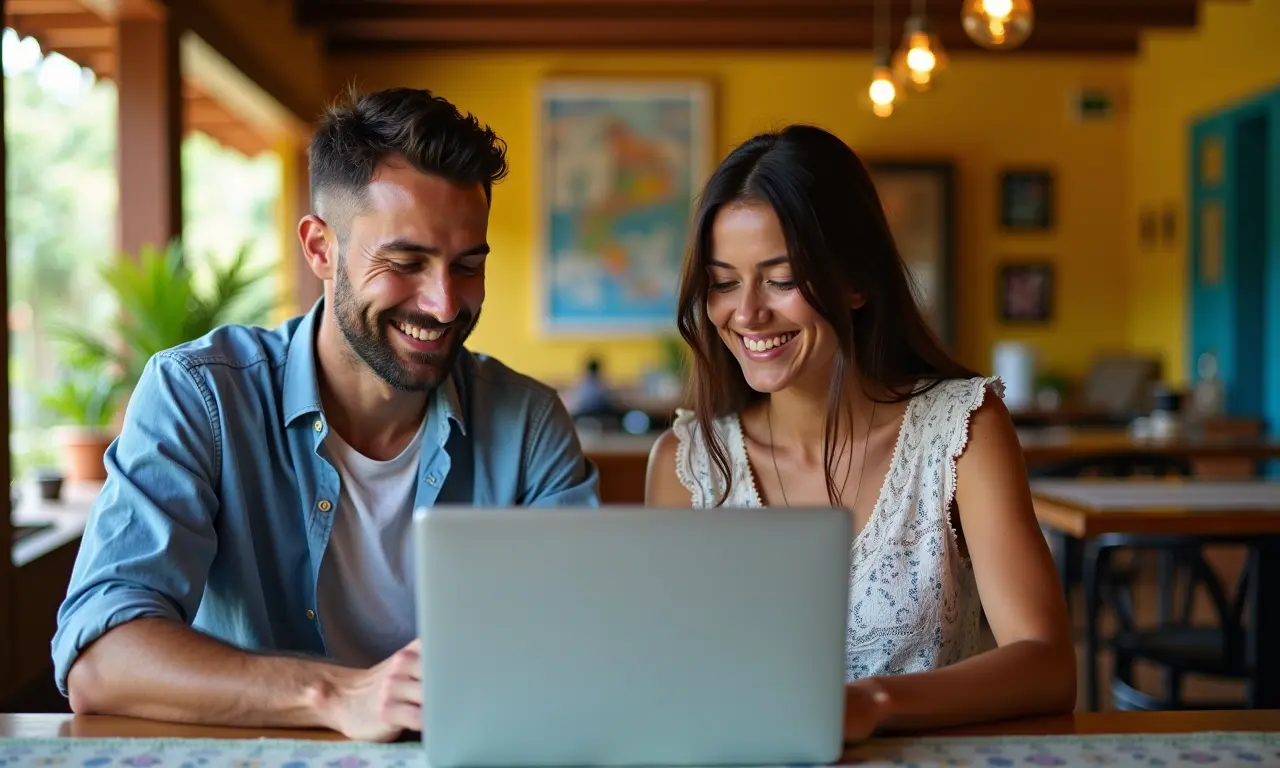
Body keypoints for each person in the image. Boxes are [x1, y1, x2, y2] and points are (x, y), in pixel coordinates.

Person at [52, 87, 598, 741]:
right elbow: (101, 660)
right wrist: (338, 695)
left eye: (468, 266)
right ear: (320, 249)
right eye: (405, 263)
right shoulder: (199, 398)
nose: (446, 304)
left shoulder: (529, 424)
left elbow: (584, 647)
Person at [645, 125, 1075, 737]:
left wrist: (872, 704)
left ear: (855, 281)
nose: (746, 313)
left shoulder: (962, 430)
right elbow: (666, 679)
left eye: (782, 278)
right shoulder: (686, 464)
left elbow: (1048, 666)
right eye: (723, 282)